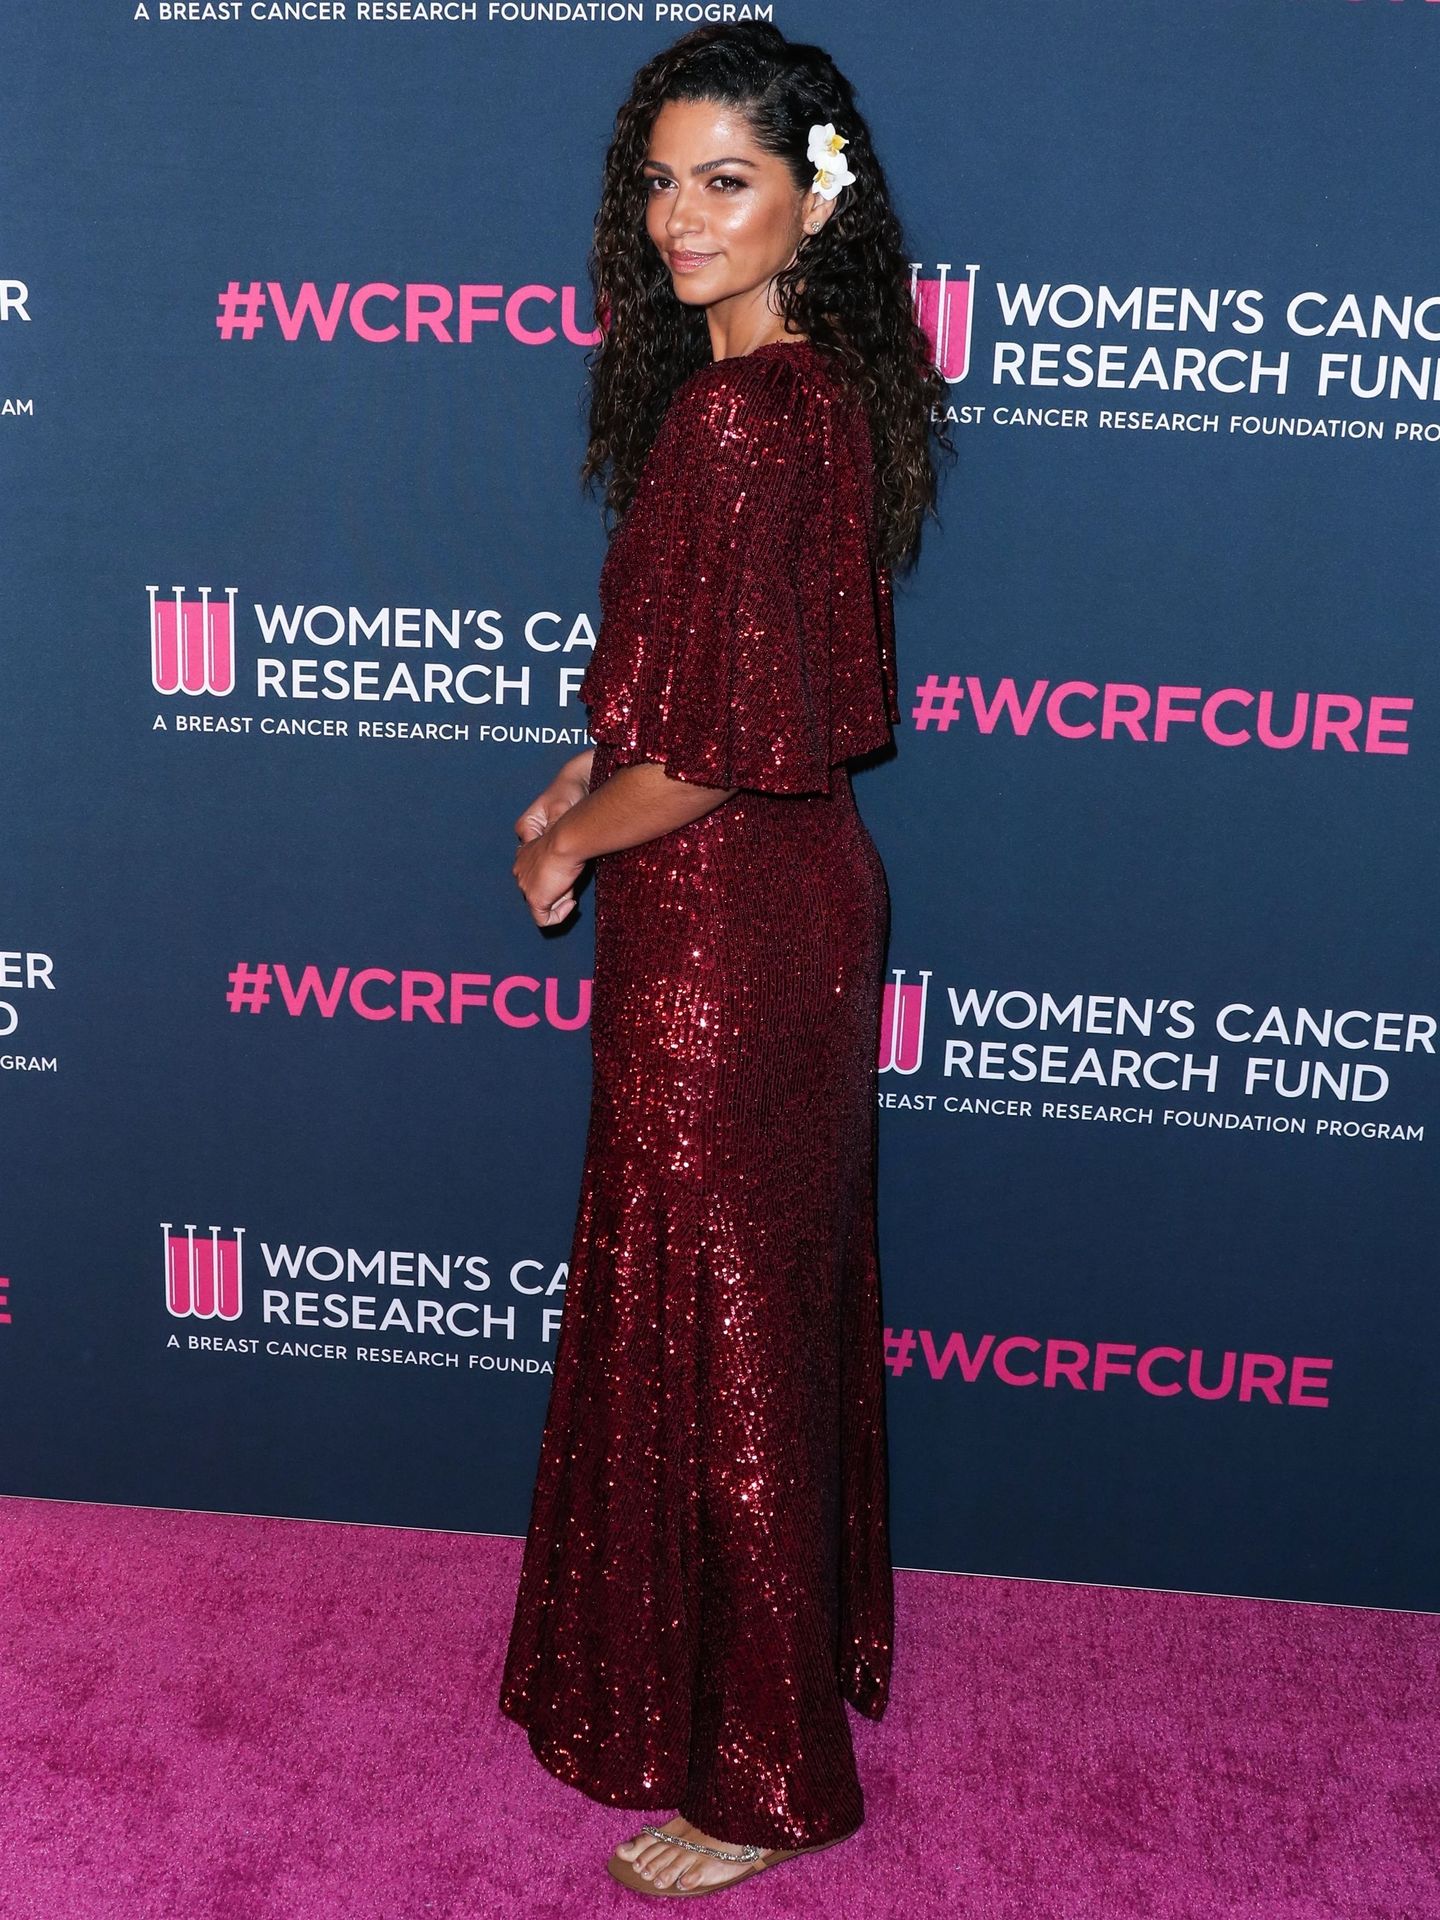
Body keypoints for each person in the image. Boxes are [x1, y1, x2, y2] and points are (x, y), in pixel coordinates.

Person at [500, 20, 954, 1900]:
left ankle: (767, 1777)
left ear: (813, 202)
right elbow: (699, 693)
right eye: (662, 183)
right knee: (748, 1306)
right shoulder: (806, 394)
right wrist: (584, 776)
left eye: (729, 182)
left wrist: (562, 841)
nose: (683, 219)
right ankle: (754, 1682)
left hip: (729, 932)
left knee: (731, 1330)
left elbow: (706, 756)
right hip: (779, 902)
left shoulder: (743, 416)